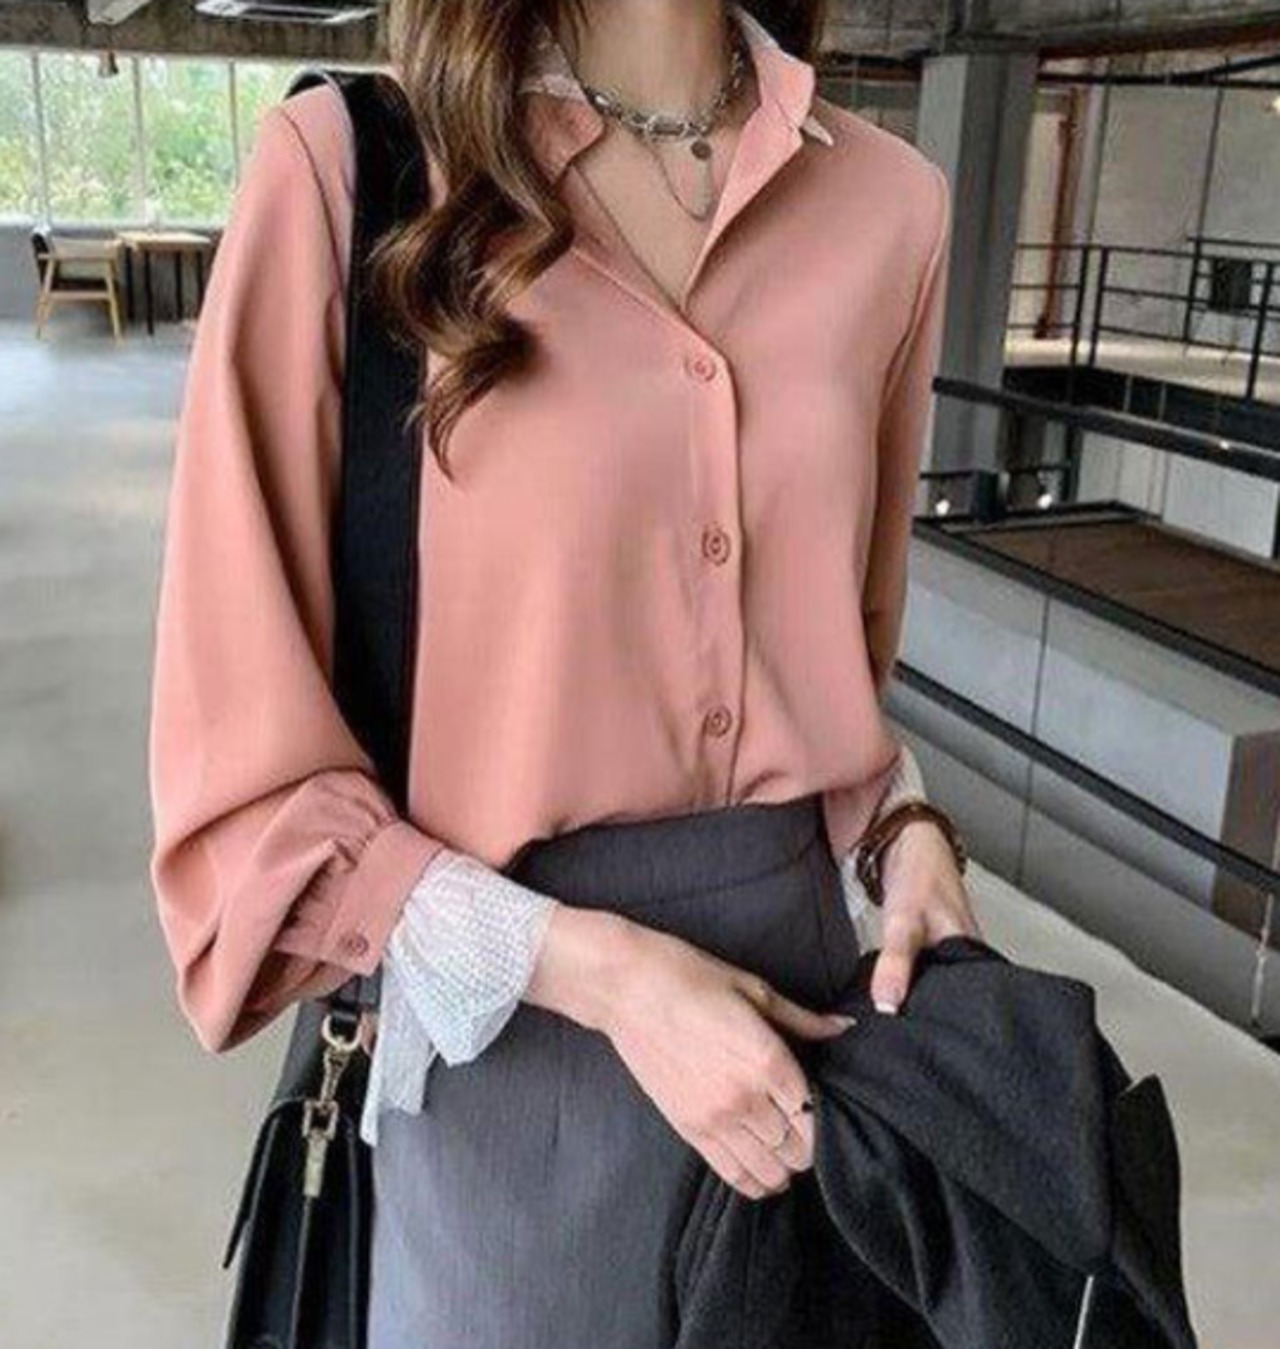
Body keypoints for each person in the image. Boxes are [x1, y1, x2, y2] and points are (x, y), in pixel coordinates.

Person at [147, 2, 980, 1345]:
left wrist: (905, 830)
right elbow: (241, 781)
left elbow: (838, 668)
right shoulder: (355, 176)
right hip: (510, 1068)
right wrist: (602, 976)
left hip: (815, 1062)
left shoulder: (890, 207)